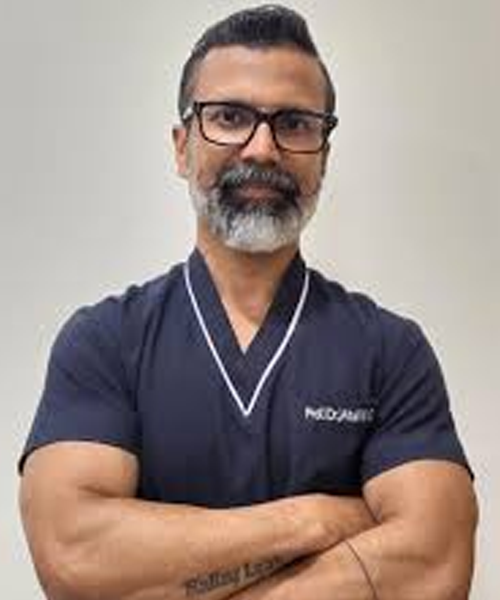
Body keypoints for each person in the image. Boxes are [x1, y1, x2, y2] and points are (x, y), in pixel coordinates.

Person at [19, 5, 478, 600]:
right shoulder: (106, 341)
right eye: (230, 117)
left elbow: (433, 568)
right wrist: (316, 519)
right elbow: (75, 557)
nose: (262, 148)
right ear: (182, 147)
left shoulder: (390, 350)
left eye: (295, 123)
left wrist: (163, 575)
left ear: (323, 155)